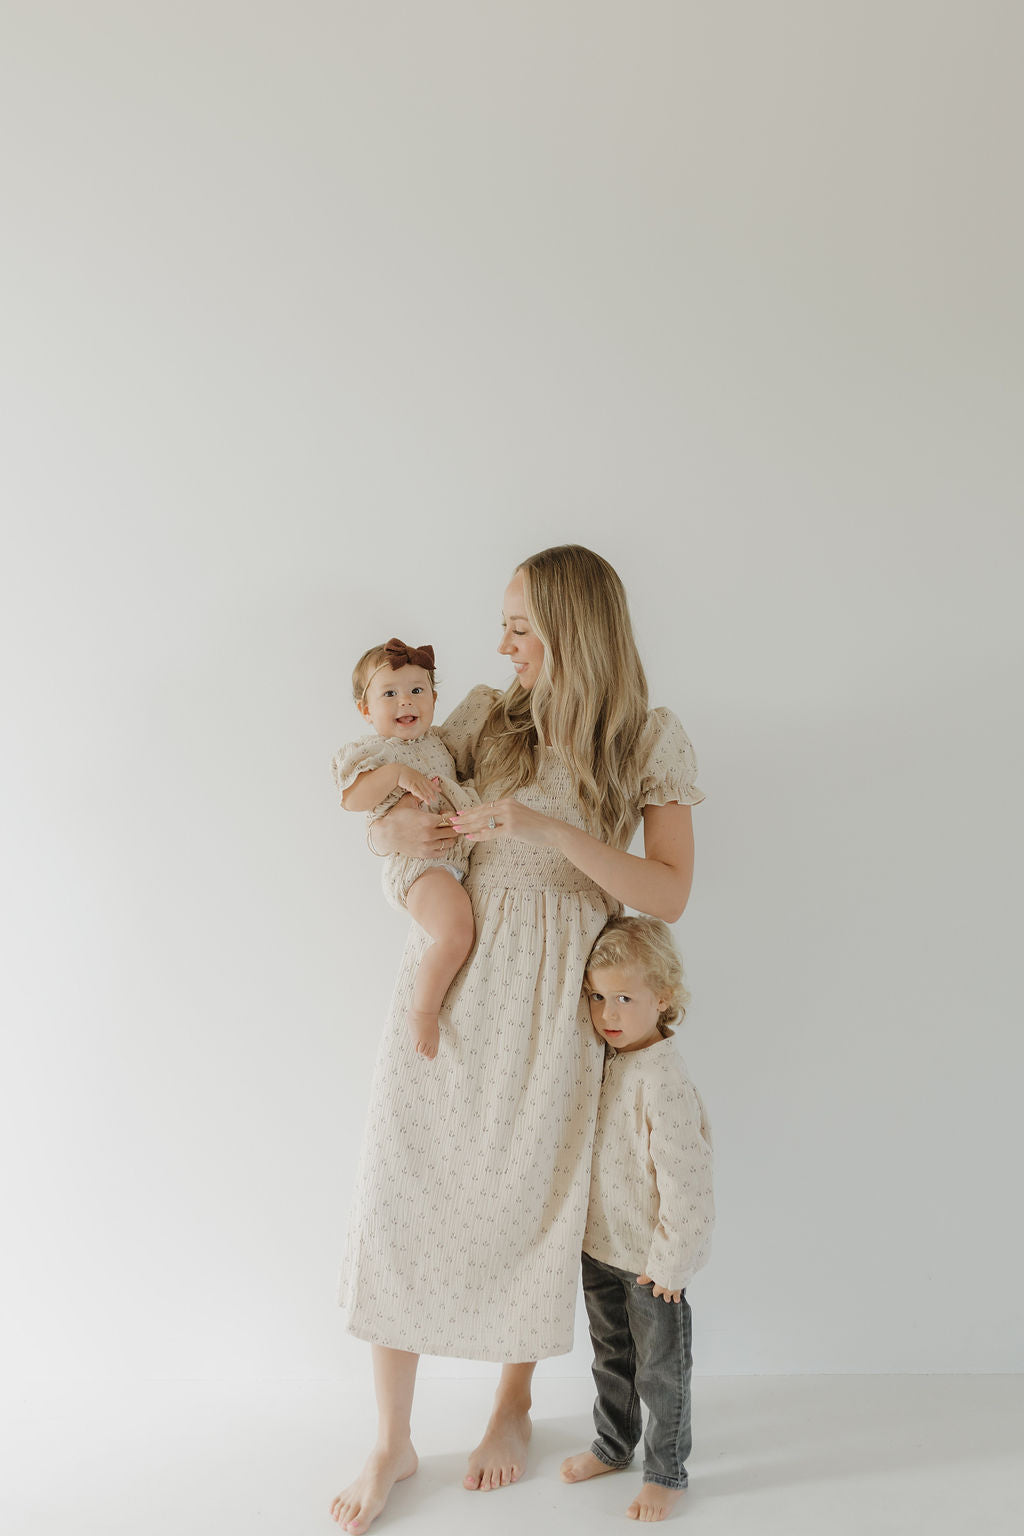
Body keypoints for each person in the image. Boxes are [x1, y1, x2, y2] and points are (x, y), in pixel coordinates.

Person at [329, 545, 705, 1535]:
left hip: (557, 996)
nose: (501, 646)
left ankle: (512, 1402)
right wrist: (389, 836)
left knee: (531, 1203)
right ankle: (391, 1438)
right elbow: (401, 786)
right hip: (456, 979)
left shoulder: (644, 736)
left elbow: (668, 892)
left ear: (573, 630)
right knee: (400, 1192)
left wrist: (547, 831)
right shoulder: (484, 715)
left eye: (520, 628)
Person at [560, 915, 714, 1523]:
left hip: (652, 1266)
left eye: (625, 998)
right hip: (601, 1248)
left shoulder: (663, 1079)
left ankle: (666, 1471)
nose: (608, 1014)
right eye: (598, 997)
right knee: (611, 1360)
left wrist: (672, 1264)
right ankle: (613, 1443)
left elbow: (688, 1182)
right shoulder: (606, 1060)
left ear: (664, 997)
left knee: (661, 1373)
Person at [331, 637, 477, 1059]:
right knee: (456, 934)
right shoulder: (375, 753)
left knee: (462, 931)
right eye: (390, 694)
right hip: (419, 867)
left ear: (434, 699)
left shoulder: (440, 743)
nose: (405, 702)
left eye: (417, 690)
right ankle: (422, 1011)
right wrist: (395, 773)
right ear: (366, 710)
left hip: (449, 863)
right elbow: (352, 799)